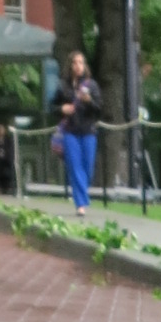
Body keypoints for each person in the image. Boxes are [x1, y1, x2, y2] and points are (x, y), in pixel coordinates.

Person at [55, 52, 101, 211]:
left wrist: (89, 101)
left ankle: (82, 196)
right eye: (75, 63)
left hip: (88, 132)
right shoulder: (63, 86)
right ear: (70, 65)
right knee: (75, 167)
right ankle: (81, 203)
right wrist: (62, 108)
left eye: (81, 63)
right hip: (70, 131)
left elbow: (99, 109)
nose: (78, 66)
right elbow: (52, 107)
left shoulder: (91, 85)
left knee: (87, 168)